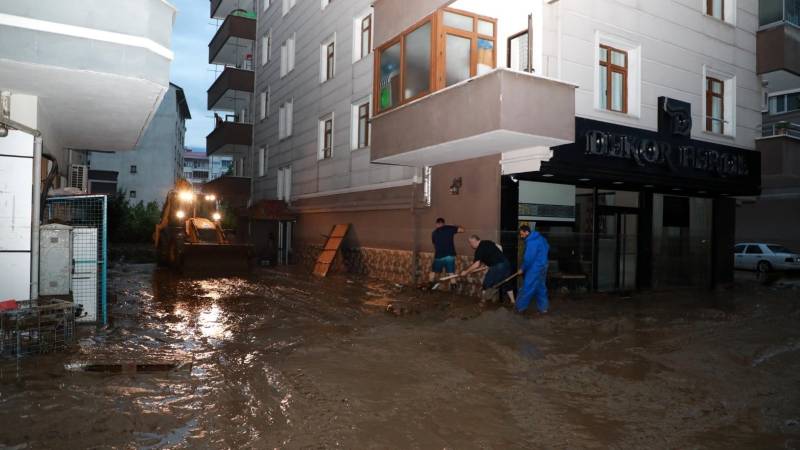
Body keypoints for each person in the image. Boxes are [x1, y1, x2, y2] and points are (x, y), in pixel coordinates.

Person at [461, 235, 514, 304]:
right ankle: (513, 301)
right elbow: (499, 247)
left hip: (497, 266)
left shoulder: (479, 249)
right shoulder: (487, 242)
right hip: (506, 263)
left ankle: (483, 302)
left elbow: (476, 264)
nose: (470, 245)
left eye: (470, 243)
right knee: (507, 282)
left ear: (474, 241)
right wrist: (495, 259)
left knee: (486, 283)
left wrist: (466, 272)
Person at [516, 225, 550, 314]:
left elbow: (528, 259)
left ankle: (520, 308)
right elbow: (547, 247)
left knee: (527, 287)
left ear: (527, 232)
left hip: (535, 268)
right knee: (540, 287)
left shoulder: (531, 242)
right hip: (544, 266)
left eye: (522, 234)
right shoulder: (541, 238)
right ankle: (544, 308)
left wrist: (522, 268)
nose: (521, 236)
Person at [430, 218, 464, 286]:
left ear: (436, 224)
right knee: (451, 273)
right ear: (443, 223)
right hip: (449, 255)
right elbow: (462, 230)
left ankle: (429, 286)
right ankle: (453, 288)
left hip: (439, 256)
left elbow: (434, 244)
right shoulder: (449, 228)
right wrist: (455, 225)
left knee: (433, 272)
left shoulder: (434, 233)